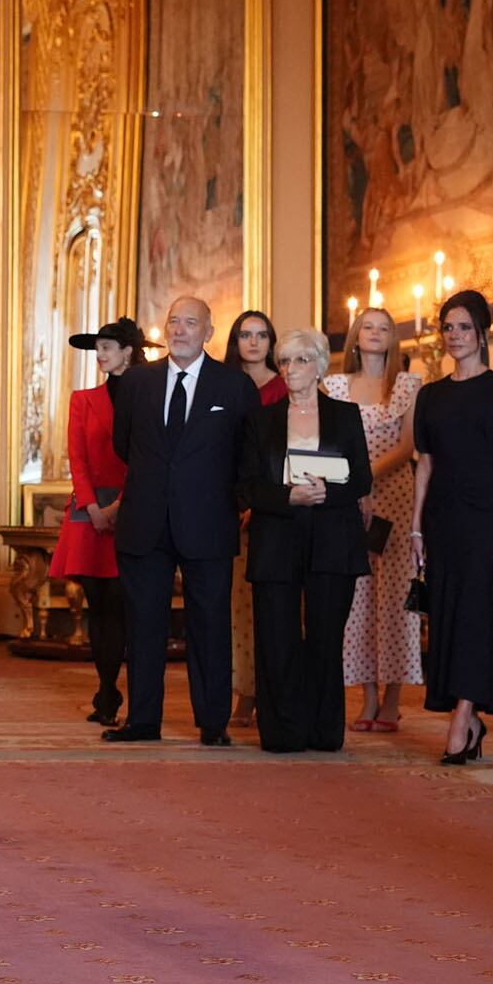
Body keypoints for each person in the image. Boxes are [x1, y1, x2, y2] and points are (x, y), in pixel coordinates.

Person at [108, 296, 260, 746]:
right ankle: (143, 720)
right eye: (174, 321)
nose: (179, 330)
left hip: (209, 521)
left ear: (208, 332)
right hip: (145, 520)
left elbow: (247, 455)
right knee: (144, 624)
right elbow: (124, 445)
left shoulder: (234, 388)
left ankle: (212, 723)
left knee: (210, 624)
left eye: (190, 323)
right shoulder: (138, 382)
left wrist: (229, 501)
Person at [239, 328, 372, 753]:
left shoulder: (345, 416)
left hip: (332, 537)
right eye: (284, 361)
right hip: (277, 535)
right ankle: (282, 733)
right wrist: (289, 496)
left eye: (299, 361)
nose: (290, 369)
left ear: (318, 365)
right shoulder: (262, 419)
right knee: (276, 638)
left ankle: (322, 731)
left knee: (324, 638)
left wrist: (326, 493)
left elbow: (362, 479)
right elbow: (246, 487)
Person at [411, 290, 493, 766]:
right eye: (448, 328)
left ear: (482, 332)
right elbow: (424, 464)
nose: (455, 336)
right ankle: (467, 716)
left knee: (476, 613)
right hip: (440, 517)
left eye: (463, 327)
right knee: (446, 613)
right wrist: (416, 527)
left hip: (485, 515)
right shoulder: (430, 394)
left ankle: (464, 715)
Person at [324, 308, 424, 731]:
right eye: (368, 326)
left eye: (384, 328)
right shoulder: (333, 385)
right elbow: (328, 441)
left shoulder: (406, 384)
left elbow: (407, 446)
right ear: (355, 336)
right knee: (358, 599)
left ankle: (393, 698)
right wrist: (354, 484)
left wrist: (365, 477)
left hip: (394, 498)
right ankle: (365, 698)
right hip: (350, 500)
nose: (375, 334)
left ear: (392, 339)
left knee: (397, 600)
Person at [50, 317, 140, 726]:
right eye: (98, 347)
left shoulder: (148, 397)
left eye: (108, 347)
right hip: (88, 515)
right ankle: (107, 690)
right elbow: (78, 459)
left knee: (121, 605)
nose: (100, 354)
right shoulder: (82, 400)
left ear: (127, 352)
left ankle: (120, 691)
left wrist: (119, 506)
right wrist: (91, 507)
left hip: (134, 508)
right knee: (97, 606)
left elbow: (147, 458)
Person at [221, 310, 287, 728]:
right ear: (234, 340)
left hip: (280, 506)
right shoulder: (223, 383)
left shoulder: (287, 385)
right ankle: (244, 692)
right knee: (240, 607)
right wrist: (239, 503)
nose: (254, 342)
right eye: (246, 335)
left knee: (280, 606)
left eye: (262, 335)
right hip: (233, 508)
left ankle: (276, 690)